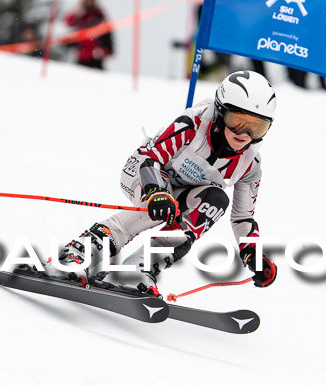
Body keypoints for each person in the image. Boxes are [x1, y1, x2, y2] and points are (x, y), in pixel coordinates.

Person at [43, 71, 278, 296]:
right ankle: (80, 252)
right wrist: (156, 192)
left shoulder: (250, 163)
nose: (245, 133)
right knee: (162, 205)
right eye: (237, 121)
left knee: (215, 200)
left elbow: (242, 218)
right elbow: (151, 159)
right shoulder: (193, 124)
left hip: (185, 190)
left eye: (257, 126)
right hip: (144, 171)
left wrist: (253, 253)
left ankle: (139, 266)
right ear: (219, 112)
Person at [64, 0, 113, 69]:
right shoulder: (80, 15)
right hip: (81, 58)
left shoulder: (99, 16)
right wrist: (75, 12)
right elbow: (69, 22)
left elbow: (108, 41)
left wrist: (103, 51)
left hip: (95, 60)